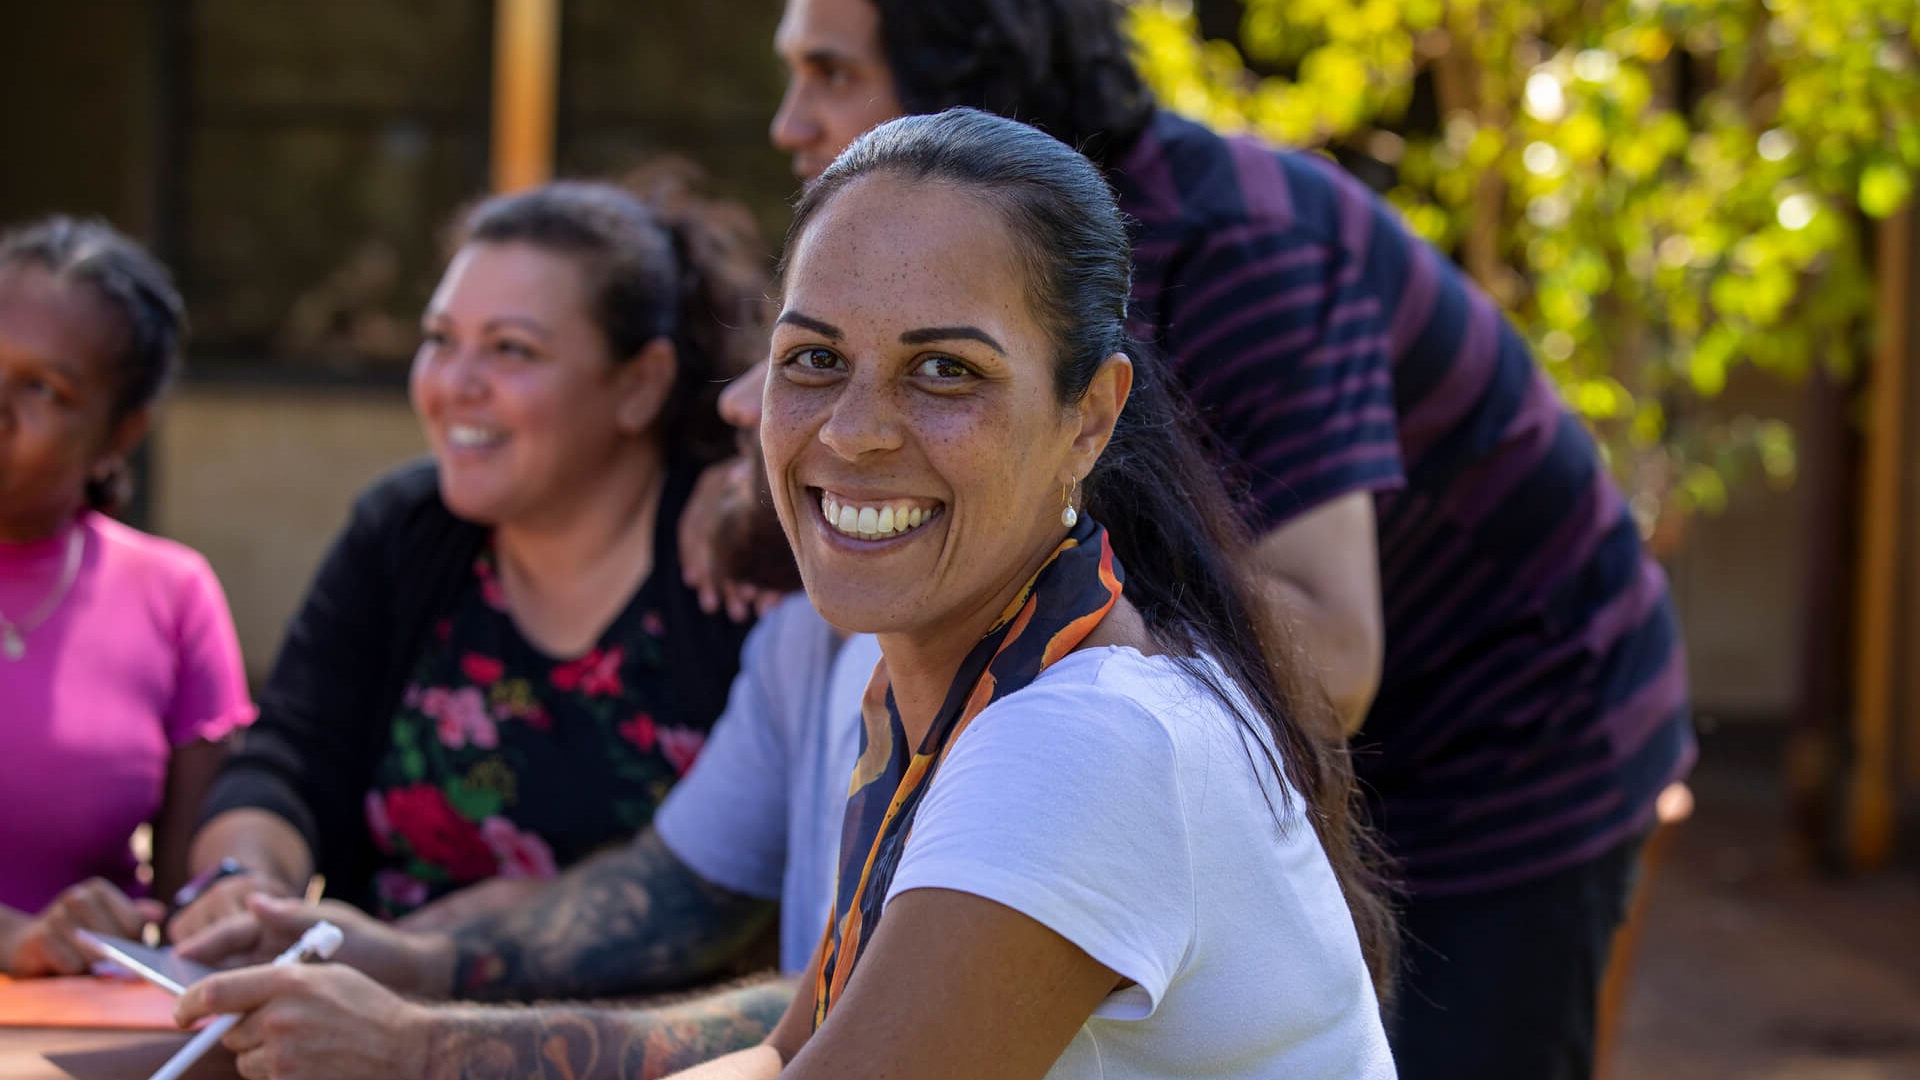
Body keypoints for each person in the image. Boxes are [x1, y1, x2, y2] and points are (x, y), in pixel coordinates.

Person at [178, 105, 1395, 1080]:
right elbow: (785, 1049)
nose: (856, 433)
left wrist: (411, 1053)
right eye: (815, 360)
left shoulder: (1085, 743)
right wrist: (404, 1044)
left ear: (1090, 416)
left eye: (944, 372)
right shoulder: (925, 690)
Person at [684, 3, 1693, 1077]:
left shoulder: (1243, 250)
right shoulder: (949, 700)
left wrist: (890, 502)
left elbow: (1335, 660)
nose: (794, 120)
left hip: (1522, 728)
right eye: (815, 361)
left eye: (832, 73)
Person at [172, 173, 766, 938]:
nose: (455, 384)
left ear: (640, 385)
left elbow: (753, 886)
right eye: (440, 340)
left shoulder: (729, 560)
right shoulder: (405, 531)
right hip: (362, 1027)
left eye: (511, 350)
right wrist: (245, 880)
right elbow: (287, 760)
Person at [0, 216, 253, 976]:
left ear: (123, 431)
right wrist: (11, 941)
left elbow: (191, 907)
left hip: (70, 1034)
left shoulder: (171, 595)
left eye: (43, 389)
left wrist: (232, 906)